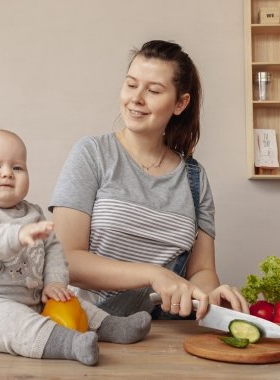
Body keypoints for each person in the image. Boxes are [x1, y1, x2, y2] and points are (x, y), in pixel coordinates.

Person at [49, 40, 250, 320]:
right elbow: (65, 260)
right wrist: (153, 275)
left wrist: (210, 296)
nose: (136, 98)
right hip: (91, 326)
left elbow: (201, 271)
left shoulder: (194, 178)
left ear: (181, 103)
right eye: (131, 85)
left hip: (167, 335)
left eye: (153, 90)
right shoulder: (92, 154)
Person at [0, 129, 151, 367]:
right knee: (17, 323)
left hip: (33, 301)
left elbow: (54, 249)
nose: (7, 174)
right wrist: (17, 235)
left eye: (17, 168)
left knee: (72, 301)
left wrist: (55, 283)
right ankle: (70, 345)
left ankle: (111, 326)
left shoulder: (33, 213)